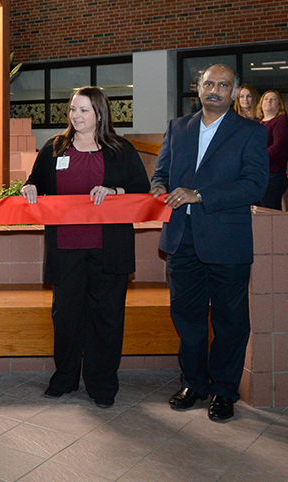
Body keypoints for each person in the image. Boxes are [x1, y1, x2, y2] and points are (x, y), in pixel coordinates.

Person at [150, 64, 268, 422]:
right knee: (188, 319)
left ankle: (223, 391)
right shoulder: (177, 127)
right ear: (197, 88)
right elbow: (161, 171)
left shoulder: (250, 132)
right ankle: (195, 384)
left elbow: (254, 185)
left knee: (231, 322)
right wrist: (157, 188)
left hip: (226, 241)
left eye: (224, 85)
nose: (215, 89)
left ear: (234, 93)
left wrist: (199, 195)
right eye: (209, 83)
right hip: (181, 241)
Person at [20, 87, 150, 408]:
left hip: (109, 249)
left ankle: (102, 384)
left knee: (106, 319)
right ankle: (65, 378)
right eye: (73, 110)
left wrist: (115, 189)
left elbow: (141, 190)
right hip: (66, 249)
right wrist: (30, 187)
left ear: (100, 114)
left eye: (84, 111)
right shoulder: (55, 148)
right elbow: (34, 180)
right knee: (65, 317)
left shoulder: (121, 149)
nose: (76, 116)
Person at [254, 90, 288, 210]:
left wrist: (257, 158)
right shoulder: (258, 123)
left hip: (272, 174)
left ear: (279, 105)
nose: (269, 101)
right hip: (257, 174)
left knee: (270, 213)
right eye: (266, 99)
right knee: (257, 211)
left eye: (273, 99)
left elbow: (278, 146)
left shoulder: (281, 121)